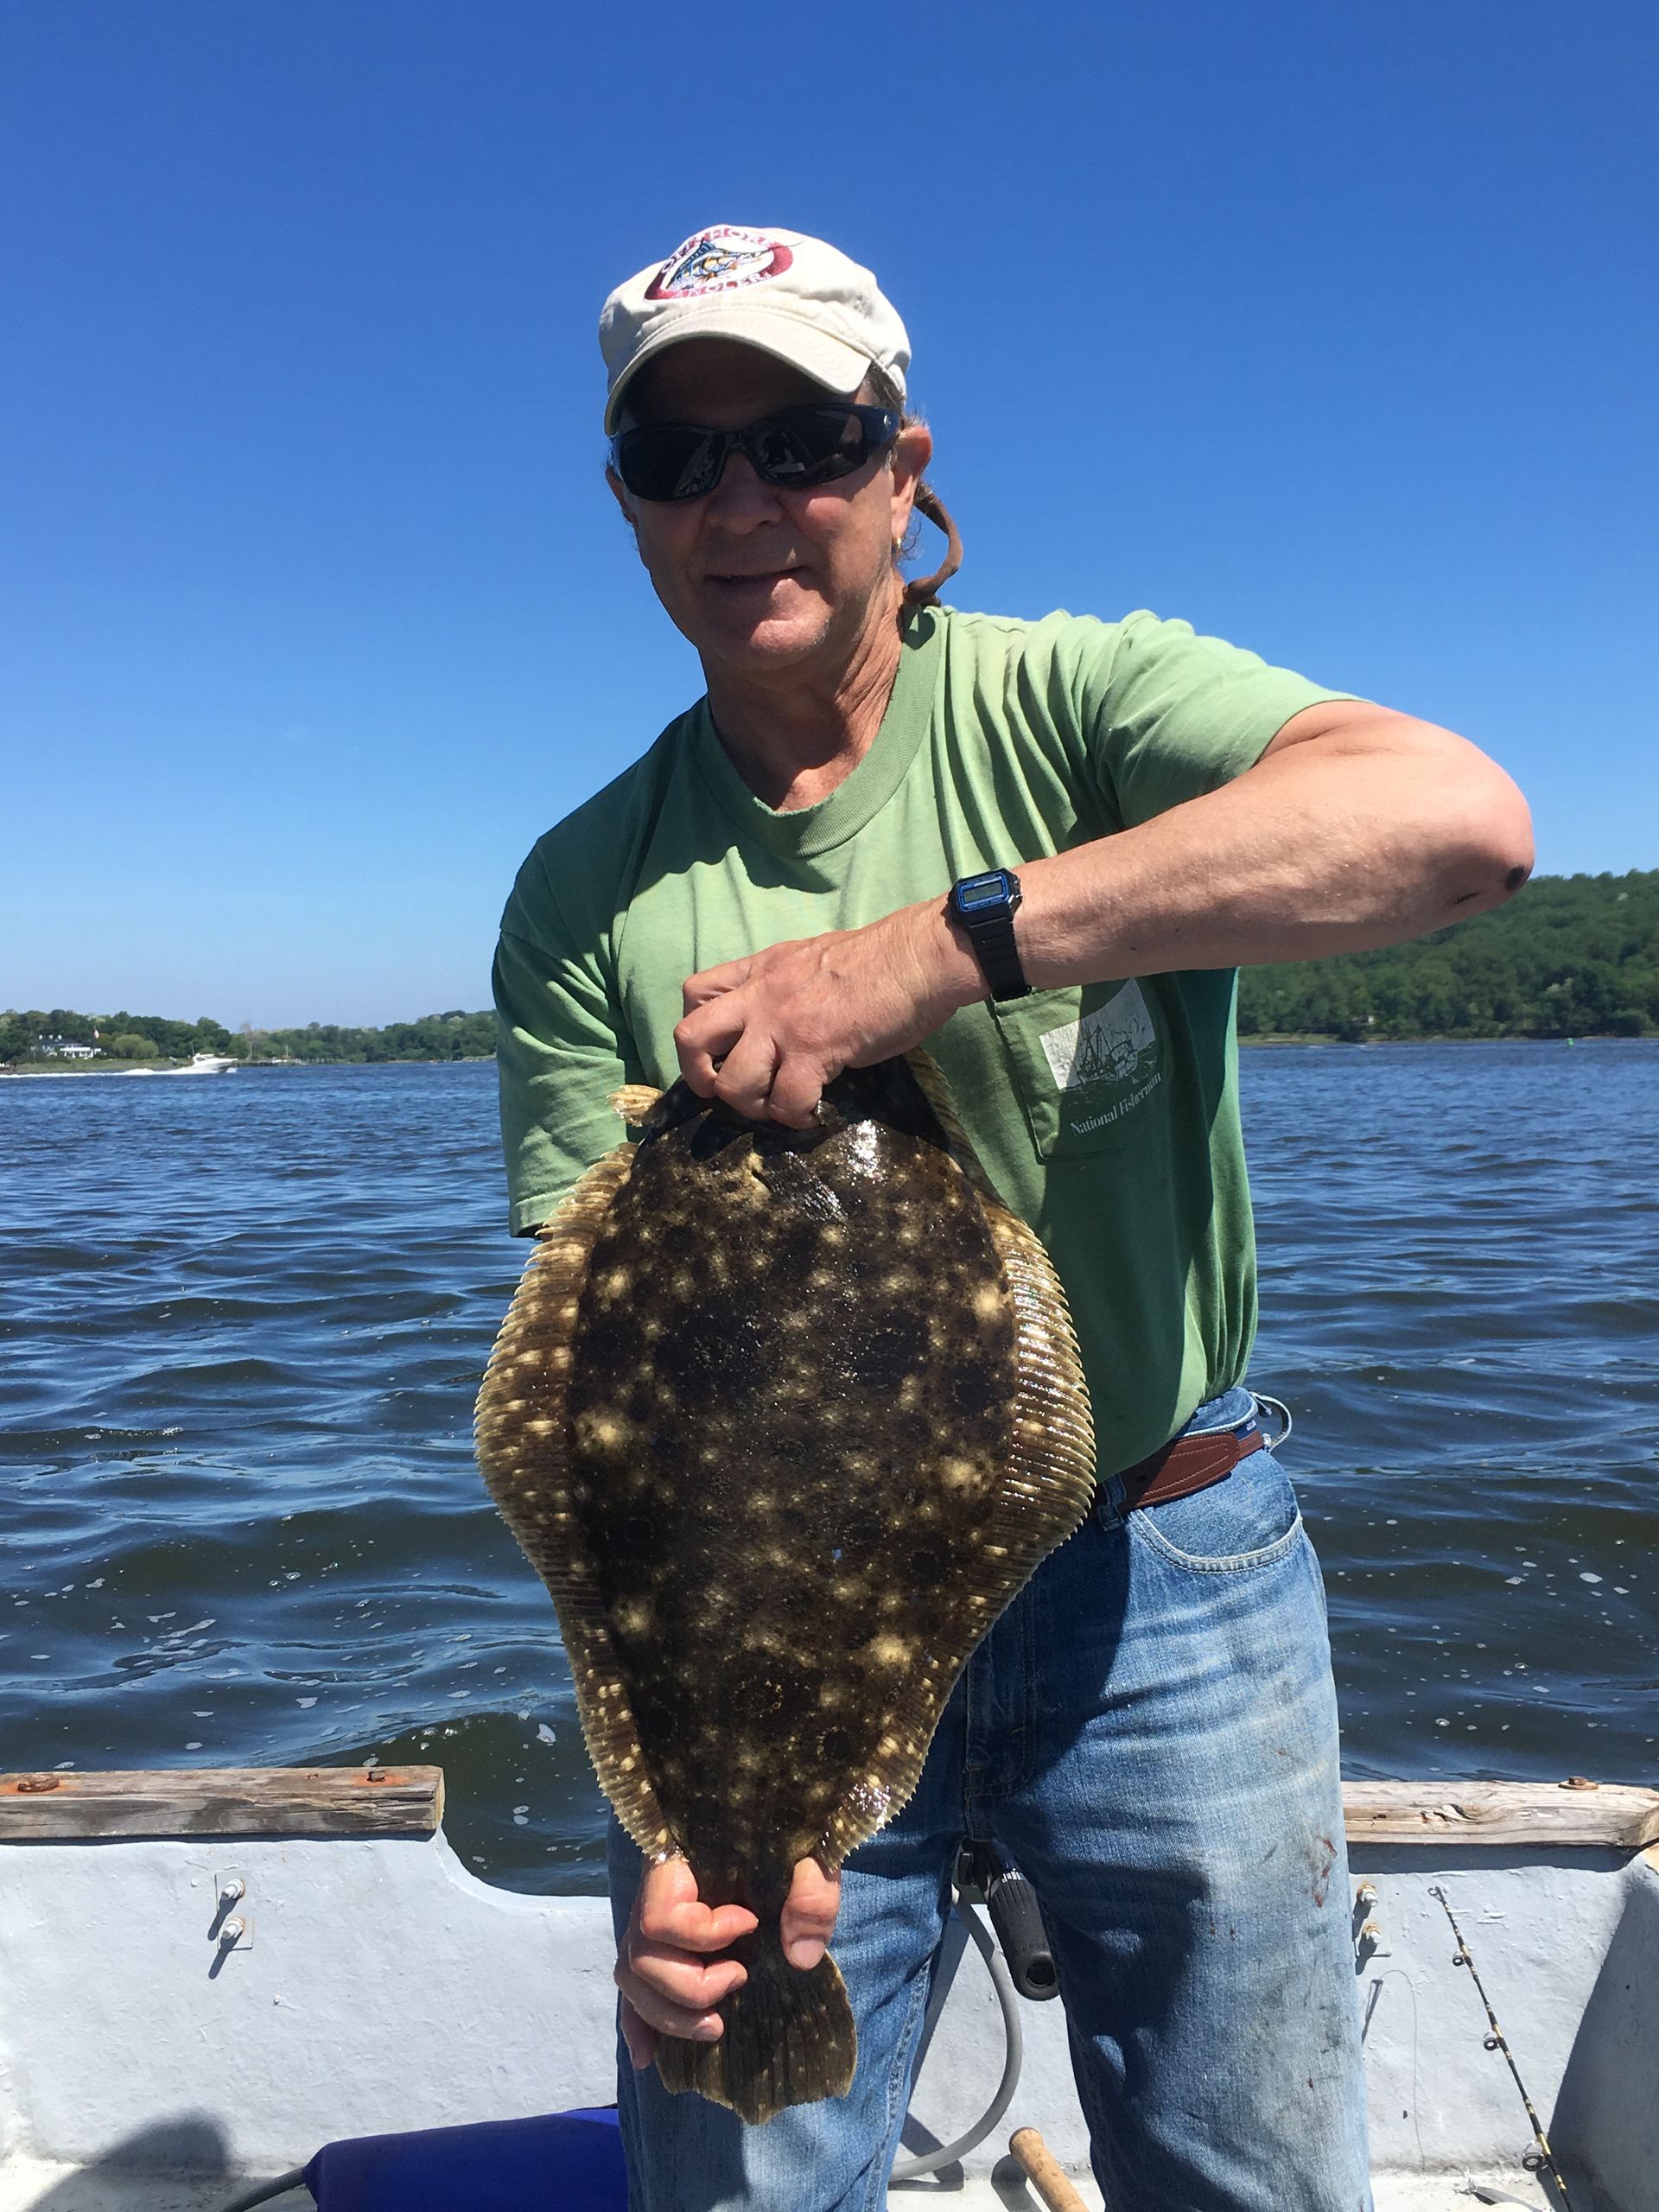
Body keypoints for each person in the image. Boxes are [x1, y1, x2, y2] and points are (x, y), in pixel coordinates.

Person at [493, 223, 1533, 2212]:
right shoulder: (580, 897)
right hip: (759, 1627)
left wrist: (943, 951)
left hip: (1170, 1575)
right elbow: (597, 1425)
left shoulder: (1084, 707)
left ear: (903, 468)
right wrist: (684, 1827)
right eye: (675, 456)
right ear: (624, 501)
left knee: (1258, 2178)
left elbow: (1459, 823)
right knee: (738, 2166)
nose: (742, 502)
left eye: (799, 437)